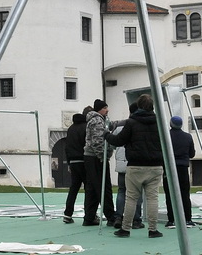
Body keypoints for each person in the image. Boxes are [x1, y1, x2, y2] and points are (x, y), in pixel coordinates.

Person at [104, 93, 163, 239]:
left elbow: (119, 140)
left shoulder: (131, 122)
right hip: (155, 165)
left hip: (135, 165)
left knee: (131, 197)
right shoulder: (159, 122)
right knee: (153, 198)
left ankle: (125, 228)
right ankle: (153, 229)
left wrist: (106, 135)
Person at [82, 98, 116, 226]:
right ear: (99, 110)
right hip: (96, 157)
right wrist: (103, 156)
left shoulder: (98, 120)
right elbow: (97, 141)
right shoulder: (97, 121)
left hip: (90, 157)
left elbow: (111, 125)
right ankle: (111, 216)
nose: (107, 110)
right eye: (105, 108)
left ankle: (89, 217)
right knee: (104, 187)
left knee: (92, 187)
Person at [111, 103, 143, 229]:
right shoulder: (137, 126)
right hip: (134, 163)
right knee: (136, 192)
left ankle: (118, 216)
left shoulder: (119, 127)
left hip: (121, 164)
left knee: (121, 191)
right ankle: (136, 219)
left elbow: (113, 144)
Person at [162, 116, 196, 228]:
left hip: (169, 168)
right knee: (185, 194)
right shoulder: (187, 137)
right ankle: (188, 219)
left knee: (170, 194)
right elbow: (192, 154)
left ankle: (171, 220)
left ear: (171, 124)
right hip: (182, 167)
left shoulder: (166, 136)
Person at [61, 109, 89, 223]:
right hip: (84, 160)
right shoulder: (86, 127)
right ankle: (89, 214)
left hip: (73, 162)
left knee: (73, 188)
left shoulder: (71, 129)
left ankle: (67, 214)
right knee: (89, 188)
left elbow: (67, 147)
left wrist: (68, 162)